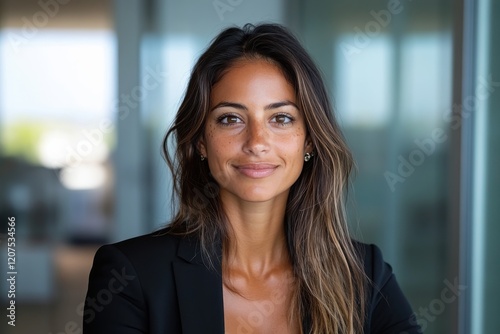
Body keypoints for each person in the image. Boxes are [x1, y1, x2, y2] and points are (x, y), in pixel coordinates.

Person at [83, 23, 421, 334]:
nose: (257, 142)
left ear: (310, 140)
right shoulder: (130, 275)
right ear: (201, 140)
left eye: (281, 118)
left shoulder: (364, 275)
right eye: (230, 119)